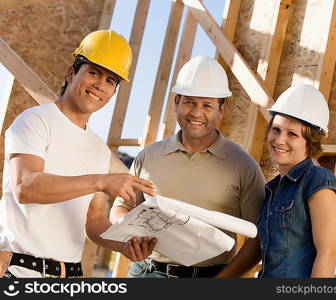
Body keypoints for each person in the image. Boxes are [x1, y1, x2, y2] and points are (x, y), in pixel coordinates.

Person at [0, 30, 157, 278]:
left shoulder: (98, 149)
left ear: (113, 92)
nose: (100, 85)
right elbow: (25, 186)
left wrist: (123, 245)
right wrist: (102, 181)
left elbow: (93, 219)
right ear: (71, 73)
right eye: (94, 72)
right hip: (21, 271)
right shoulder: (35, 121)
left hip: (69, 276)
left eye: (110, 80)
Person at [109, 56, 266, 278]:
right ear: (177, 103)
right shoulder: (149, 156)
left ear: (221, 111)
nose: (196, 113)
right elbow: (120, 208)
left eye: (207, 105)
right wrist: (131, 236)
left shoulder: (243, 166)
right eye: (190, 102)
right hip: (147, 273)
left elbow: (258, 239)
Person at [217, 84, 336, 278]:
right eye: (276, 130)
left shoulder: (318, 181)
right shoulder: (273, 188)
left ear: (309, 142)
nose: (279, 140)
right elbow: (255, 249)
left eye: (292, 134)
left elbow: (328, 254)